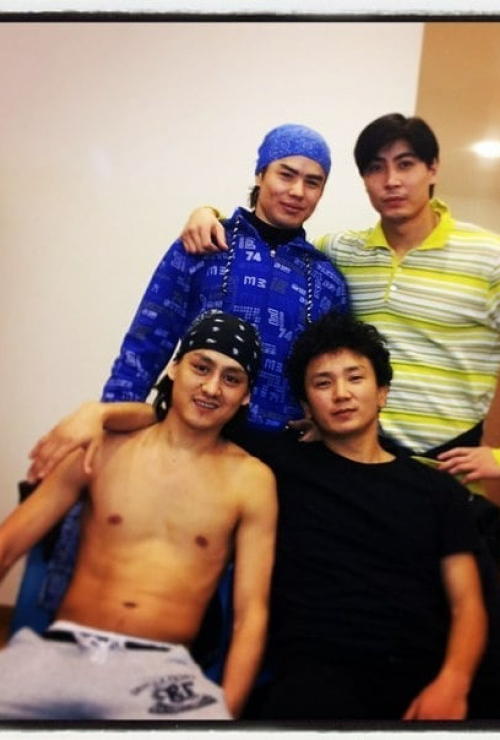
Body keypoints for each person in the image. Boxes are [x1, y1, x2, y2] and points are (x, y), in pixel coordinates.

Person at [20, 312, 500, 721]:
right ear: (306, 405)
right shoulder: (276, 465)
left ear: (382, 392)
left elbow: (469, 603)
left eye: (355, 378)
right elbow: (178, 416)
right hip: (313, 678)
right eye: (322, 383)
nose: (341, 393)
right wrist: (98, 413)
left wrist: (453, 681)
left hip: (418, 672)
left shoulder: (435, 490)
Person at [22, 122, 350, 625]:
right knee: (163, 579)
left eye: (313, 181)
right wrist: (106, 423)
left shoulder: (325, 278)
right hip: (188, 443)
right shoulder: (203, 244)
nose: (297, 191)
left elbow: (331, 368)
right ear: (260, 173)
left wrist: (324, 424)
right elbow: (147, 341)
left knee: (255, 598)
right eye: (286, 174)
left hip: (277, 462)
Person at [179, 113, 500, 499]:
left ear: (433, 169)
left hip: (440, 474)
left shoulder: (491, 257)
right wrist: (210, 216)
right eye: (376, 168)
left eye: (405, 164)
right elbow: (274, 244)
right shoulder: (341, 252)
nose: (391, 181)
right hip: (349, 468)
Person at [0, 311, 278, 721]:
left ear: (245, 395)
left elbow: (250, 614)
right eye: (201, 367)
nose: (212, 387)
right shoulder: (103, 447)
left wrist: (228, 710)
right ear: (174, 367)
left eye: (231, 378)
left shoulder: (251, 481)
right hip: (59, 652)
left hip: (162, 674)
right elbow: (2, 547)